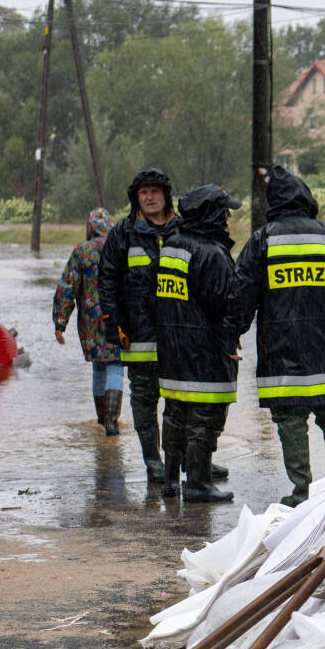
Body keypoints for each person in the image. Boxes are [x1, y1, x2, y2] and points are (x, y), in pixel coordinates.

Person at [235, 166, 325, 506]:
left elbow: (242, 294)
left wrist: (233, 333)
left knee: (290, 421)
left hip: (281, 351)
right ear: (306, 197)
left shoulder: (262, 240)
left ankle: (302, 491)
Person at [155, 184, 242, 502]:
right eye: (224, 211)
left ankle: (170, 480)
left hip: (172, 348)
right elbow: (225, 305)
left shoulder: (172, 245)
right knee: (204, 417)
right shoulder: (212, 253)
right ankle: (198, 483)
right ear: (212, 215)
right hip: (204, 352)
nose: (228, 217)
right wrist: (232, 338)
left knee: (175, 413)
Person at [98, 168, 177, 481]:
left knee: (181, 402)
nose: (150, 197)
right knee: (144, 400)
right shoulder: (123, 232)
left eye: (155, 191)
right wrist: (112, 321)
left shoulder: (181, 229)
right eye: (144, 192)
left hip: (178, 336)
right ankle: (153, 462)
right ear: (136, 198)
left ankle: (184, 461)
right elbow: (107, 280)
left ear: (165, 195)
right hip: (139, 336)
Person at [53, 207, 122, 435]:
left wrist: (60, 322)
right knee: (116, 367)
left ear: (89, 227)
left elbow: (66, 288)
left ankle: (102, 419)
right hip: (118, 319)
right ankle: (113, 421)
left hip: (91, 323)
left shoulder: (81, 252)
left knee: (98, 369)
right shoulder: (121, 247)